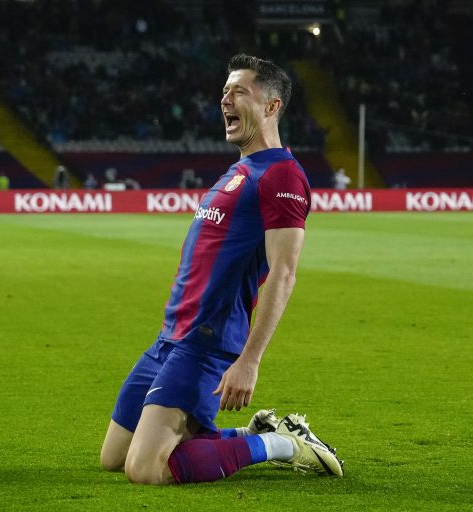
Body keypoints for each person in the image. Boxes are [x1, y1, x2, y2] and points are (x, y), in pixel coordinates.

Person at [100, 54, 343, 485]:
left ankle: (286, 446)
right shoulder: (241, 169)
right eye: (224, 92)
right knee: (115, 456)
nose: (225, 99)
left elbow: (284, 272)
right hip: (171, 336)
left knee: (147, 468)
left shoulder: (282, 176)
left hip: (206, 341)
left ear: (272, 106)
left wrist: (250, 359)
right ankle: (259, 433)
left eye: (239, 91)